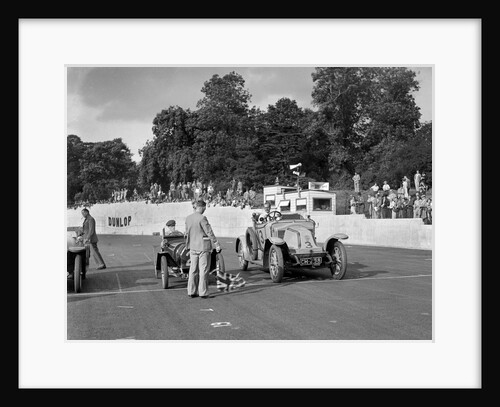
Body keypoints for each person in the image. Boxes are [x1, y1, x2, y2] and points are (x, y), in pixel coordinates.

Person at [184, 200, 221, 299]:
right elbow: (209, 232)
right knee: (203, 270)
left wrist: (188, 245)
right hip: (203, 247)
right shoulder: (202, 218)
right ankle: (203, 292)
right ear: (201, 207)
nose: (205, 210)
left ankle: (191, 291)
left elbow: (186, 233)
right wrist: (216, 243)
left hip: (192, 247)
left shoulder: (188, 218)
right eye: (204, 208)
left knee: (193, 270)